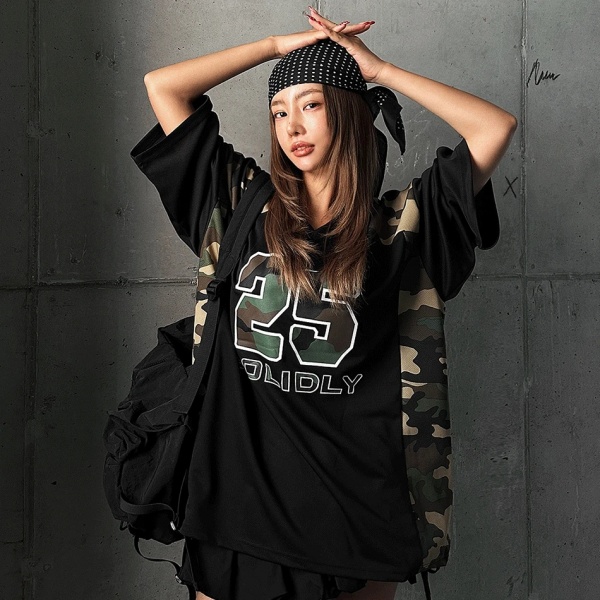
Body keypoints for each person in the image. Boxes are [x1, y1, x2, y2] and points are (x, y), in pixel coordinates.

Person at [132, 7, 517, 600]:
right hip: (236, 507)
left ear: (347, 111)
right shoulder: (238, 204)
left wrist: (378, 72)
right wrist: (276, 46)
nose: (292, 125)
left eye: (310, 104)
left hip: (353, 517)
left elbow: (494, 127)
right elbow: (163, 86)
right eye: (279, 111)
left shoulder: (403, 227)